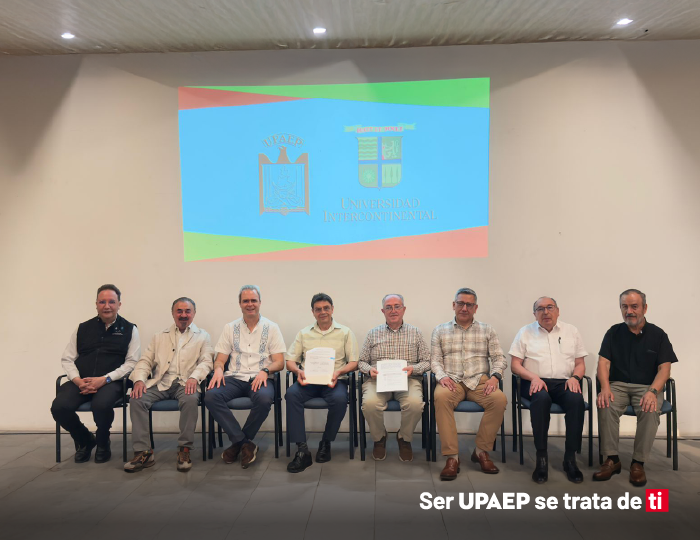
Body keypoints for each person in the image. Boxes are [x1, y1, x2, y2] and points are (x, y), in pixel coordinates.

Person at [593, 289, 677, 487]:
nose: (629, 311)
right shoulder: (613, 332)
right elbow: (603, 363)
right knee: (605, 404)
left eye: (634, 306)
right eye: (624, 306)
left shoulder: (658, 335)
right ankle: (612, 459)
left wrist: (653, 392)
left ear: (644, 308)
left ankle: (638, 462)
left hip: (648, 387)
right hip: (618, 385)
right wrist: (605, 387)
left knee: (650, 409)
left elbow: (664, 370)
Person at [51, 284, 140, 463]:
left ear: (119, 304)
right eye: (102, 302)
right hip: (82, 381)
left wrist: (105, 379)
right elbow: (67, 359)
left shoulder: (130, 329)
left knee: (101, 405)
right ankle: (85, 439)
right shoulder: (82, 328)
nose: (107, 306)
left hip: (112, 382)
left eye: (111, 302)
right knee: (59, 407)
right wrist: (77, 380)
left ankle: (102, 442)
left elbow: (131, 363)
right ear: (96, 304)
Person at [124, 297, 213, 473]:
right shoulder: (159, 336)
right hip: (161, 382)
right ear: (173, 313)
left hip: (186, 383)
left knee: (190, 400)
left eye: (187, 311)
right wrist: (139, 380)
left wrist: (194, 378)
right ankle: (144, 452)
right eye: (179, 311)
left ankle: (184, 449)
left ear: (194, 313)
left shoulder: (203, 336)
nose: (183, 315)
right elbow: (145, 361)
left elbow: (206, 361)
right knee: (137, 399)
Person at [205, 285, 286, 468]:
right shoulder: (230, 328)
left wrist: (265, 371)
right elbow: (220, 360)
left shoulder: (272, 328)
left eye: (253, 300)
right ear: (240, 304)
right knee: (211, 396)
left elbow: (279, 362)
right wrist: (218, 369)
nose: (250, 304)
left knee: (264, 399)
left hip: (260, 378)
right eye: (246, 301)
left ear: (260, 302)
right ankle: (244, 443)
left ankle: (237, 444)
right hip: (234, 378)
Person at [431, 287, 507, 480]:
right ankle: (452, 457)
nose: (464, 308)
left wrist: (495, 377)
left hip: (480, 380)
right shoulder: (440, 330)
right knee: (440, 397)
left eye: (469, 304)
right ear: (453, 305)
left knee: (499, 400)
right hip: (451, 380)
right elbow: (435, 360)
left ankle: (481, 451)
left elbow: (499, 358)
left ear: (475, 308)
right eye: (460, 303)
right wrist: (442, 376)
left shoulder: (487, 330)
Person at [509, 296, 588, 484]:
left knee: (576, 400)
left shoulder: (571, 331)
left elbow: (580, 363)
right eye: (540, 309)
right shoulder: (525, 332)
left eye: (550, 307)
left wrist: (575, 378)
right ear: (534, 313)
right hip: (534, 381)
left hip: (564, 382)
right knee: (541, 399)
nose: (545, 312)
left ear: (557, 311)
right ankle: (541, 457)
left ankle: (570, 458)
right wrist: (533, 377)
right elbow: (515, 365)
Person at [285, 293, 359, 473]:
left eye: (326, 308)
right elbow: (290, 361)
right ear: (313, 312)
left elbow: (354, 362)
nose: (323, 312)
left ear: (332, 309)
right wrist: (297, 371)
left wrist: (339, 372)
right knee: (291, 394)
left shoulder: (345, 332)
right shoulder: (304, 333)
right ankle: (302, 449)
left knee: (340, 399)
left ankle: (326, 442)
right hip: (308, 381)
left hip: (334, 380)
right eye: (318, 309)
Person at [358, 294, 429, 462]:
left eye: (397, 306)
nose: (393, 310)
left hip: (408, 380)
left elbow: (427, 361)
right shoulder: (373, 333)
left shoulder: (416, 333)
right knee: (369, 404)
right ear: (383, 311)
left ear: (404, 309)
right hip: (377, 380)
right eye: (388, 307)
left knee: (415, 404)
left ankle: (404, 438)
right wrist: (369, 370)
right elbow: (361, 362)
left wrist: (414, 369)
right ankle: (379, 438)